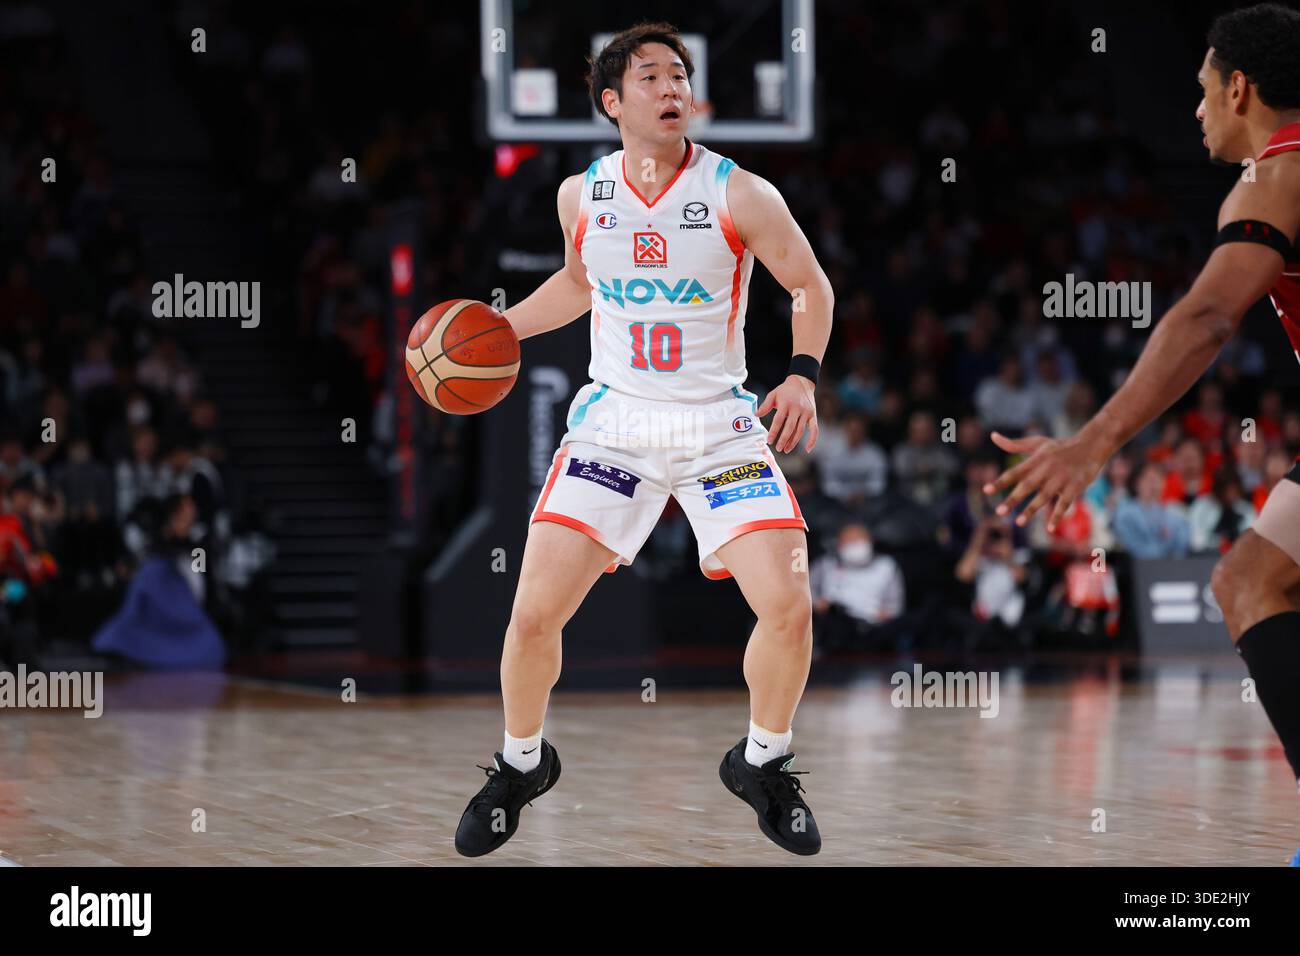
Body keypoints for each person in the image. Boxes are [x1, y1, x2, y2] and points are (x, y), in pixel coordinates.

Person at [454, 22, 834, 857]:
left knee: (788, 607)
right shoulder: (580, 196)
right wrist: (500, 332)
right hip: (615, 423)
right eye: (653, 77)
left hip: (718, 424)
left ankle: (762, 762)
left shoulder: (743, 194)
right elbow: (579, 284)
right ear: (612, 102)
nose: (672, 89)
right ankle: (522, 765)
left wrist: (802, 372)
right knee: (531, 617)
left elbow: (809, 283)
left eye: (681, 75)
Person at [984, 3, 1300, 863]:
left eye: (1202, 92)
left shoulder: (1277, 173)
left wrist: (1091, 442)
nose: (1197, 111)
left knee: (1249, 584)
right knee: (1252, 577)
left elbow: (1204, 318)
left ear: (1240, 88)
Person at [811, 523, 905, 650]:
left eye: (859, 540)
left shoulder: (886, 567)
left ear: (869, 541)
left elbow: (895, 606)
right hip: (834, 628)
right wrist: (819, 604)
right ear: (839, 544)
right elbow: (807, 592)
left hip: (874, 630)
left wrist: (884, 616)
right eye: (849, 541)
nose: (855, 545)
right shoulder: (825, 565)